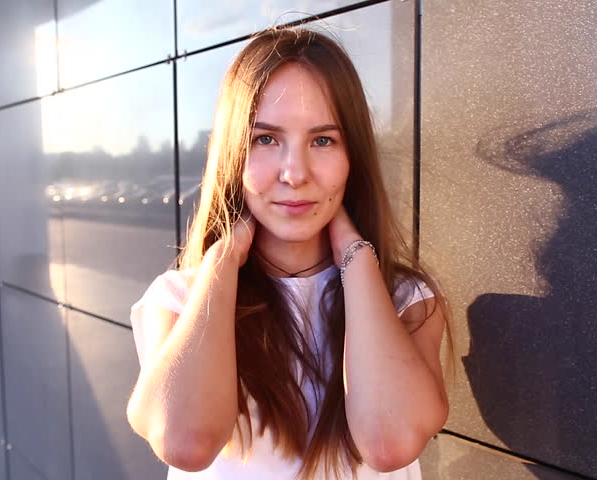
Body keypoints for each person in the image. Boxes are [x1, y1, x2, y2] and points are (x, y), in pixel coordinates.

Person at [126, 27, 452, 480]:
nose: (295, 173)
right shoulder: (180, 298)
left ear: (352, 156)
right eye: (265, 139)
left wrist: (355, 257)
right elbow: (186, 442)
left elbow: (388, 443)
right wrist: (221, 266)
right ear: (232, 155)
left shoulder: (405, 299)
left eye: (323, 140)